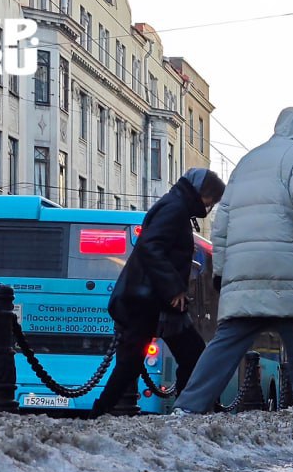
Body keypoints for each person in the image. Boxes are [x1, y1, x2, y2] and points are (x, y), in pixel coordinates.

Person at [173, 107, 293, 421]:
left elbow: (222, 222)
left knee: (227, 341)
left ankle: (188, 406)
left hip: (242, 269)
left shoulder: (247, 161)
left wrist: (222, 271)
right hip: (284, 263)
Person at [91, 168, 226, 417]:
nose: (209, 206)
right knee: (190, 354)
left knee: (137, 362)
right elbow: (150, 246)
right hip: (152, 300)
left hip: (153, 300)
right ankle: (186, 411)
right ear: (202, 193)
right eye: (211, 199)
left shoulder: (176, 206)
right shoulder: (175, 209)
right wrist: (174, 288)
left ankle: (101, 412)